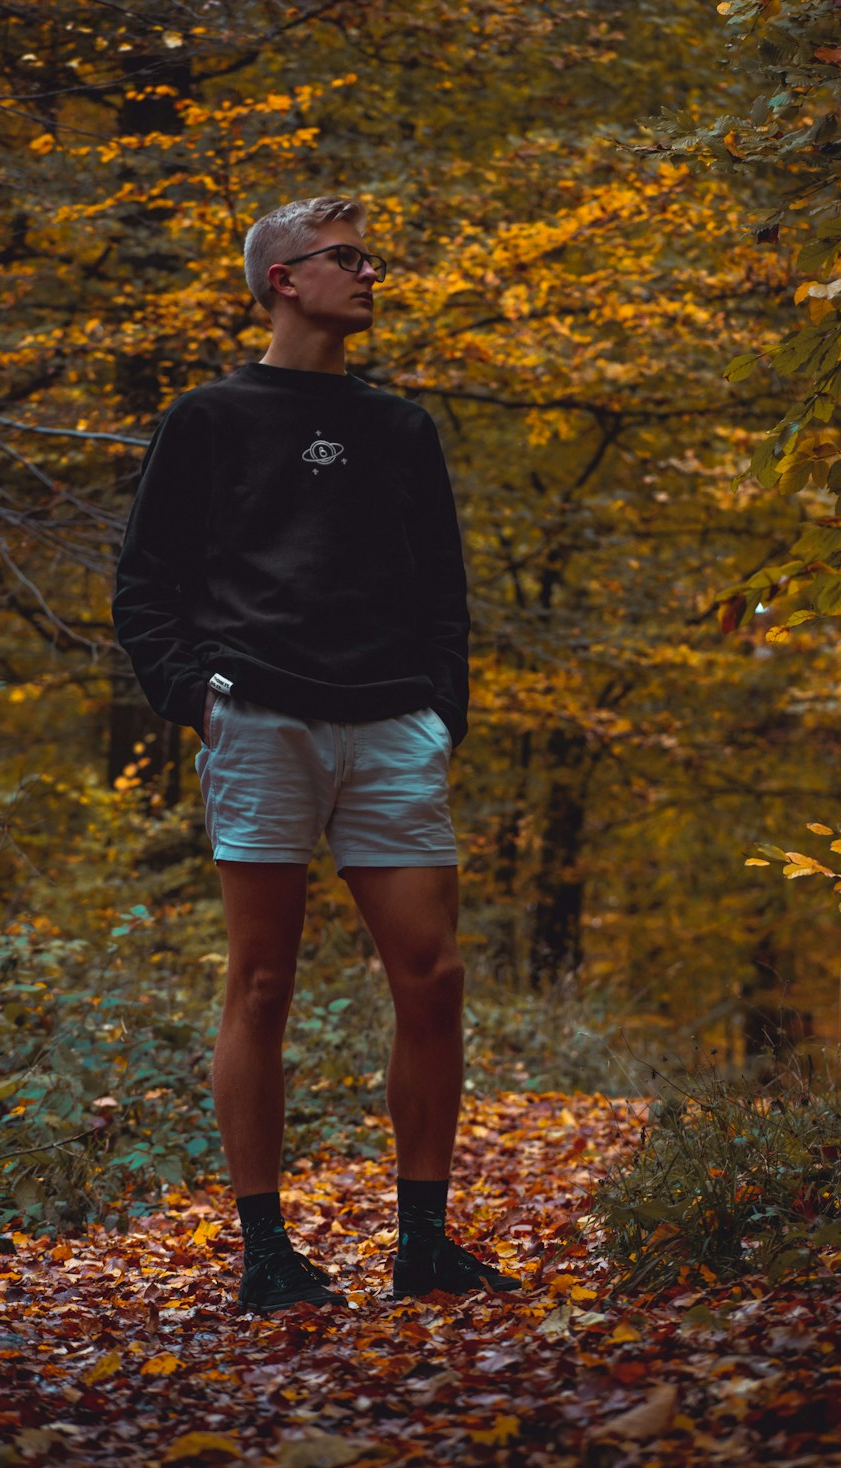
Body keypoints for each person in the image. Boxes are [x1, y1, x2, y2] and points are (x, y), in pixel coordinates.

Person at [113, 195, 520, 1313]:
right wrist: (199, 701)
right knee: (259, 984)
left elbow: (444, 588)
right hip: (261, 719)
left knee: (432, 979)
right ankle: (265, 1257)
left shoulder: (401, 429)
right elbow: (145, 584)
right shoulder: (208, 418)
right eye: (346, 258)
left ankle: (423, 1246)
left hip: (392, 720)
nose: (369, 273)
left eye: (370, 258)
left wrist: (442, 710)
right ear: (281, 279)